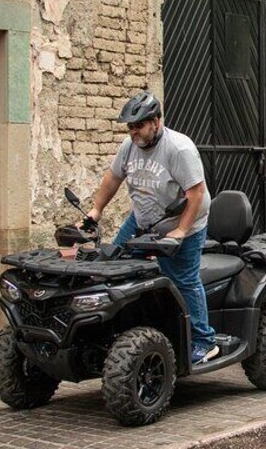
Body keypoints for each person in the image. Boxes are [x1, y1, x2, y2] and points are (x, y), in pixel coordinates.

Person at [86, 91, 217, 365]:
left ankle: (205, 341)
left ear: (156, 122)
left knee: (183, 278)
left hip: (184, 221)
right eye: (130, 126)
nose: (134, 131)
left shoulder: (178, 148)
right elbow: (113, 178)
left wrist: (180, 231)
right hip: (143, 219)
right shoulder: (129, 146)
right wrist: (95, 211)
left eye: (139, 125)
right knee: (116, 266)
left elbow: (196, 193)